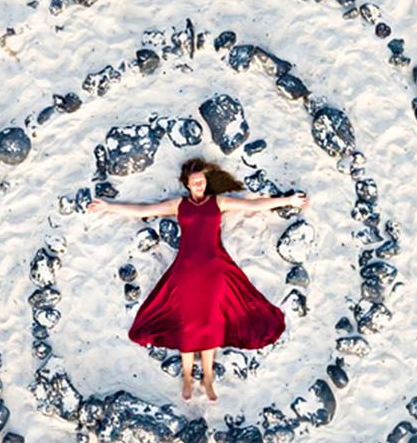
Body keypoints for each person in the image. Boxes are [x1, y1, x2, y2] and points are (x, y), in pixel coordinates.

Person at [87, 158, 307, 401]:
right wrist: (108, 207)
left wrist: (287, 201)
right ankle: (189, 378)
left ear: (205, 182)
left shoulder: (218, 202)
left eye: (201, 182)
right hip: (186, 270)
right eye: (194, 183)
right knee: (188, 322)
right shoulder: (179, 205)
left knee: (210, 321)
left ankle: (209, 378)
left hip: (214, 269)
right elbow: (143, 210)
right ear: (188, 185)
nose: (199, 186)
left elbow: (252, 206)